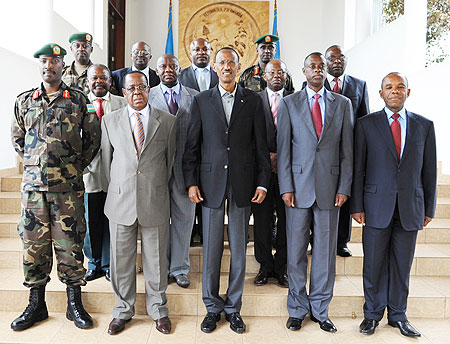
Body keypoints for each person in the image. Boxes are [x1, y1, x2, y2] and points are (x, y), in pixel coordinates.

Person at [10, 43, 101, 331]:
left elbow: (93, 139)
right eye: (44, 61)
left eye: (54, 61)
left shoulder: (78, 99)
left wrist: (73, 168)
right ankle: (36, 305)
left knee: (70, 246)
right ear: (39, 65)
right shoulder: (25, 100)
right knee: (33, 248)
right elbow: (18, 138)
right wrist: (36, 166)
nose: (49, 66)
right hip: (34, 192)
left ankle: (75, 304)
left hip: (68, 191)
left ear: (63, 65)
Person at [183, 47, 270, 334]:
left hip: (243, 185)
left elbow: (261, 146)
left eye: (231, 62)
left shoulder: (253, 100)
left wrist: (262, 181)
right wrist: (191, 181)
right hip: (209, 185)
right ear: (216, 68)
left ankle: (233, 307)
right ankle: (211, 307)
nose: (227, 67)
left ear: (238, 66)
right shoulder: (202, 100)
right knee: (210, 249)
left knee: (239, 250)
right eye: (222, 62)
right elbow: (192, 145)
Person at [351, 72, 437, 338]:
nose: (395, 91)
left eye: (400, 87)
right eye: (389, 87)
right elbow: (359, 169)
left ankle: (398, 315)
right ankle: (372, 315)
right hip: (376, 206)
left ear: (408, 93)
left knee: (402, 265)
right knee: (374, 264)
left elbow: (429, 171)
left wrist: (429, 208)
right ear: (381, 94)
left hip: (411, 207)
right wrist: (357, 205)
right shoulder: (366, 125)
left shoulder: (424, 125)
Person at [277, 52, 353, 333]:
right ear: (304, 71)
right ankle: (297, 309)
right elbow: (284, 149)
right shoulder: (289, 103)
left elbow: (348, 151)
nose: (318, 70)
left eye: (321, 67)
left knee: (324, 254)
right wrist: (285, 186)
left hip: (330, 190)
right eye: (312, 66)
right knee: (295, 252)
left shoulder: (342, 104)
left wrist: (344, 187)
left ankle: (321, 310)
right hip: (296, 190)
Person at [101, 71, 176, 335]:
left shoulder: (167, 121)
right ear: (123, 92)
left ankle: (158, 310)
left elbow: (170, 164)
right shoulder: (109, 121)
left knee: (156, 261)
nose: (137, 92)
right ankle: (123, 310)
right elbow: (107, 164)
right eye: (131, 88)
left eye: (142, 87)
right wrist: (122, 187)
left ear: (149, 90)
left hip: (154, 198)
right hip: (120, 200)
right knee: (121, 261)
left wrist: (151, 185)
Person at [149, 54, 198, 288]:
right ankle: (160, 268)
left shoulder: (195, 97)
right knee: (158, 222)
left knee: (184, 220)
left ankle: (179, 268)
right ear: (157, 71)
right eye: (163, 66)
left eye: (173, 66)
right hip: (156, 170)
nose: (168, 69)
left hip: (185, 170)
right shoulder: (147, 96)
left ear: (180, 70)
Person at [325, 44, 370, 257]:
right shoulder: (315, 84)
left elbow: (364, 120)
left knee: (344, 195)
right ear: (325, 62)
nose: (336, 61)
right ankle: (318, 238)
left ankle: (341, 241)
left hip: (348, 152)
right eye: (332, 58)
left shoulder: (359, 85)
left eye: (340, 58)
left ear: (345, 61)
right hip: (322, 153)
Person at [83, 64, 127, 283]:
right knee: (91, 221)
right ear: (88, 81)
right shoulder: (79, 103)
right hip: (88, 174)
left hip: (115, 173)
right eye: (94, 78)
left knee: (112, 219)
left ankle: (110, 264)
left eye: (103, 78)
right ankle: (94, 263)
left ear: (111, 81)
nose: (98, 82)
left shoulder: (121, 103)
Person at [252, 59, 292, 288]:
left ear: (286, 77)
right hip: (261, 173)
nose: (276, 75)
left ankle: (281, 268)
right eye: (272, 72)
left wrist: (281, 157)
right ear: (264, 76)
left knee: (287, 222)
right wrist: (266, 158)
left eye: (281, 72)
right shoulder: (253, 101)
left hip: (289, 173)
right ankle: (265, 267)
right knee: (262, 221)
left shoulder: (295, 100)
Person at [179, 38, 219, 245]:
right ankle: (190, 231)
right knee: (191, 186)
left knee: (209, 188)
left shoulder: (219, 74)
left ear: (211, 51)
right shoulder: (181, 75)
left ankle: (205, 233)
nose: (201, 52)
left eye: (206, 49)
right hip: (190, 138)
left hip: (214, 141)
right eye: (197, 49)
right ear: (190, 52)